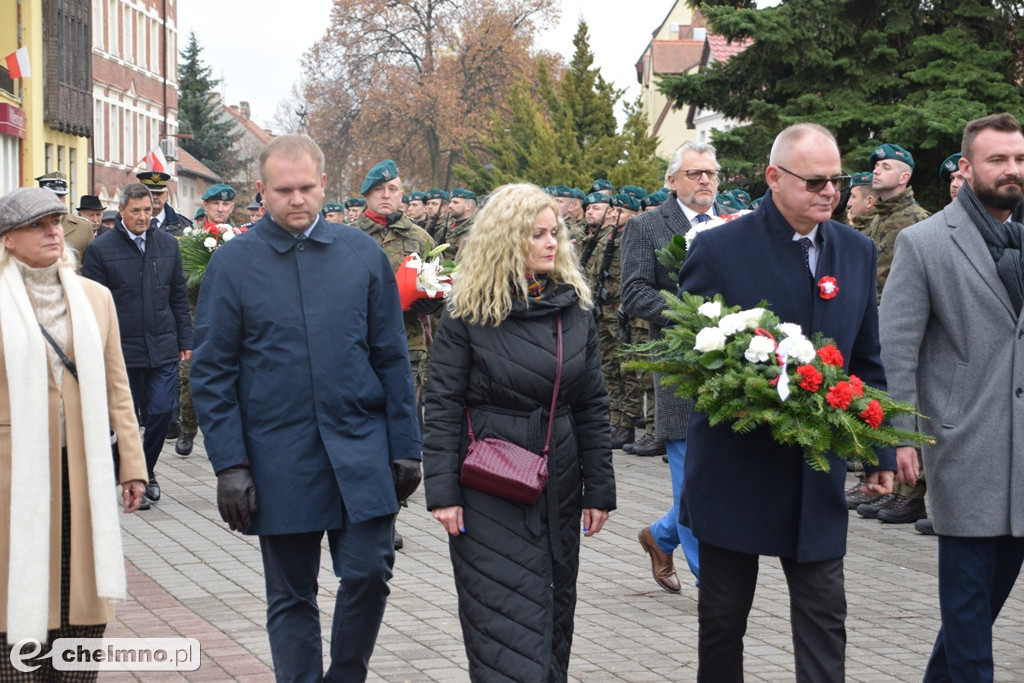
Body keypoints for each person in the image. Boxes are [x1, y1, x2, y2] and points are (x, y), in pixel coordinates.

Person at [190, 135, 422, 682]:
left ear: (324, 184)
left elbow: (391, 356)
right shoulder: (234, 263)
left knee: (370, 573)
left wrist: (407, 446)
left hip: (360, 448)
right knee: (292, 593)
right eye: (283, 190)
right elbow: (213, 371)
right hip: (279, 456)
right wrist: (230, 464)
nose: (297, 200)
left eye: (307, 188)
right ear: (261, 191)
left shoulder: (361, 254)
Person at [678, 123, 895, 682]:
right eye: (816, 181)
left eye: (839, 180)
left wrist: (879, 453)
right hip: (737, 469)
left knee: (825, 619)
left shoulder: (855, 250)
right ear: (775, 177)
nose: (831, 192)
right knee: (724, 623)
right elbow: (691, 354)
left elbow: (866, 361)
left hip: (813, 474)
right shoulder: (720, 248)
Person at [423, 182, 615, 682]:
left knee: (554, 616)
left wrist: (600, 488)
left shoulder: (575, 307)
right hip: (488, 486)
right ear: (507, 240)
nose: (552, 243)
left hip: (560, 484)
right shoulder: (468, 311)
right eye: (537, 235)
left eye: (555, 233)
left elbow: (593, 402)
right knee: (501, 627)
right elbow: (441, 402)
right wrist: (442, 492)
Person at [879, 112, 1024, 682]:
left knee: (978, 612)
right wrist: (901, 436)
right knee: (968, 619)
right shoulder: (925, 242)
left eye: (1018, 159)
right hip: (964, 447)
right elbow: (899, 346)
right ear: (966, 167)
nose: (1011, 170)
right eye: (997, 160)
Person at [0, 187, 147, 679]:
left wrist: (133, 464)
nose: (52, 233)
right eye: (36, 226)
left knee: (81, 591)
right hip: (13, 475)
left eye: (56, 223)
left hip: (81, 468)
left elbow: (118, 388)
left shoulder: (95, 298)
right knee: (17, 591)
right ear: (8, 240)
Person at [621, 140, 734, 593]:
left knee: (724, 478)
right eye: (694, 173)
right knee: (692, 479)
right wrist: (694, 314)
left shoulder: (734, 224)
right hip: (680, 369)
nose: (705, 180)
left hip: (735, 368)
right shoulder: (648, 226)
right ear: (672, 181)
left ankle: (659, 535)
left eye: (710, 173)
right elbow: (635, 293)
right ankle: (717, 582)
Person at [81, 183, 193, 507]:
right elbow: (93, 304)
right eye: (137, 211)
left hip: (162, 345)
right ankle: (135, 477)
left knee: (162, 410)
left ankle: (143, 471)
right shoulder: (101, 249)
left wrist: (186, 339)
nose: (144, 216)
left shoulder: (169, 245)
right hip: (121, 349)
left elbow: (178, 297)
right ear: (122, 211)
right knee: (125, 417)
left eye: (148, 210)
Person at [854, 143, 931, 523]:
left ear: (905, 177)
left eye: (886, 166)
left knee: (906, 407)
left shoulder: (917, 220)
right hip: (874, 324)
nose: (877, 171)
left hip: (904, 327)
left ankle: (910, 491)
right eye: (876, 166)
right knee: (877, 405)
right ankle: (882, 478)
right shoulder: (875, 219)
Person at [36, 172, 93, 265]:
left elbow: (91, 266)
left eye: (61, 195)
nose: (58, 199)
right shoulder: (29, 224)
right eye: (53, 194)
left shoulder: (84, 227)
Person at [137, 171, 192, 236]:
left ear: (166, 195)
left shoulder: (183, 225)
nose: (154, 197)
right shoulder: (130, 222)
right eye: (150, 193)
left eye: (159, 193)